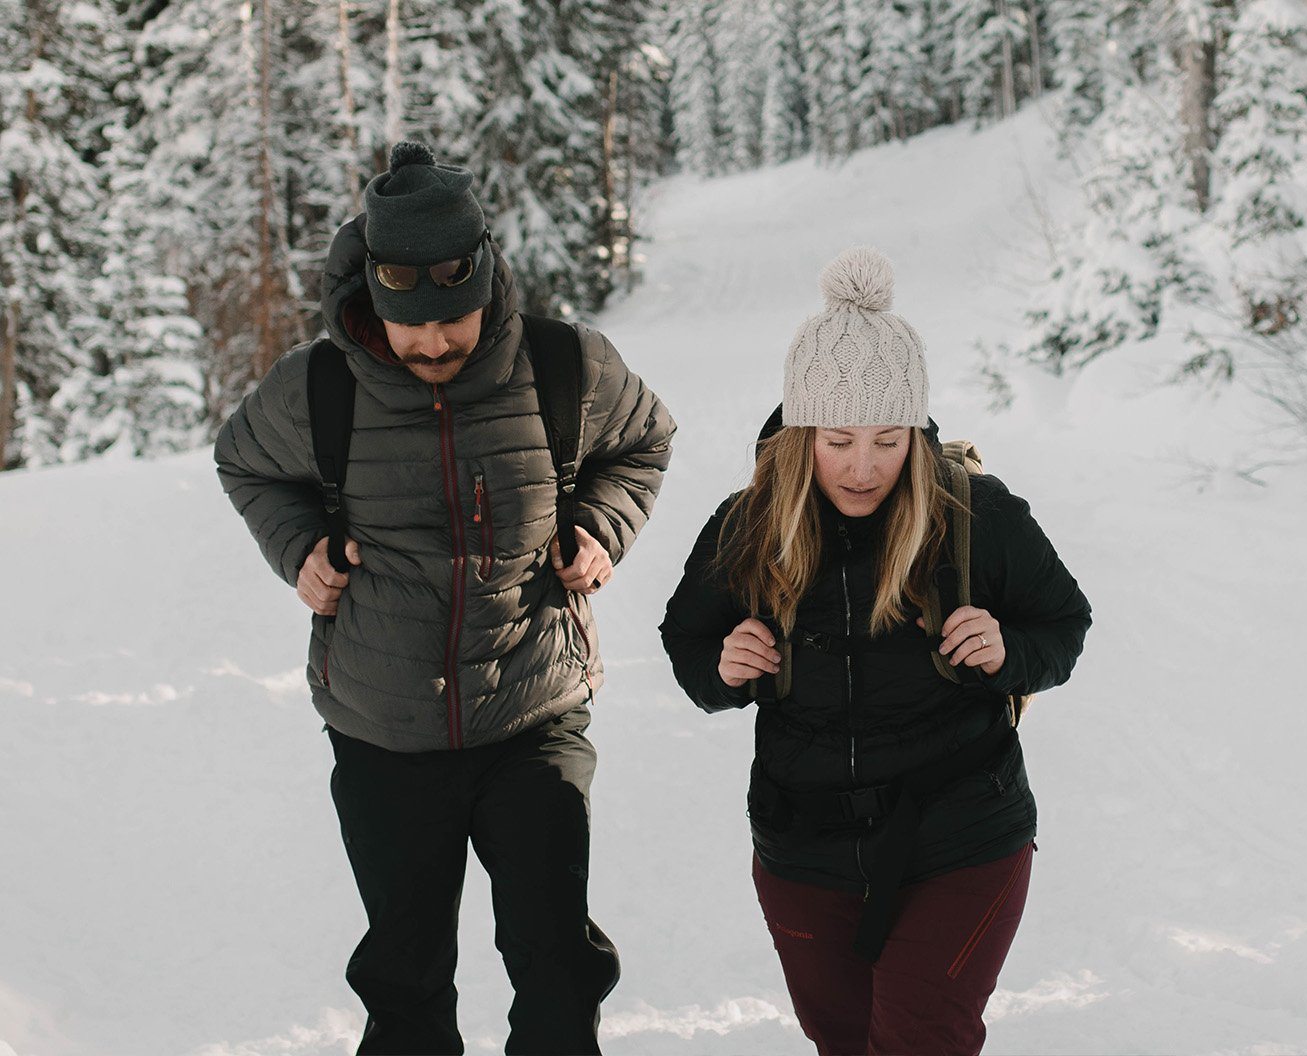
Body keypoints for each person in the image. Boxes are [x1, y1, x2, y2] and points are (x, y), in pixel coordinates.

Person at [215, 141, 675, 1056]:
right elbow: (246, 463)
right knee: (407, 976)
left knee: (556, 962)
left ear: (485, 281)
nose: (432, 344)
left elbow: (643, 442)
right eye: (409, 327)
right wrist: (300, 549)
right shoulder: (317, 387)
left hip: (533, 710)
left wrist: (599, 527)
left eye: (452, 321)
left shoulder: (564, 364)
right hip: (384, 728)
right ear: (374, 300)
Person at [658, 247, 1090, 1056]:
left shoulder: (976, 514)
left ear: (916, 434)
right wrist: (722, 668)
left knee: (919, 1039)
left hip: (962, 835)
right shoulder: (748, 524)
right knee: (847, 1043)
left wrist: (1008, 649)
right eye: (839, 440)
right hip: (804, 846)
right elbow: (687, 638)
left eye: (889, 441)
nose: (864, 467)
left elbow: (1064, 625)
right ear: (802, 435)